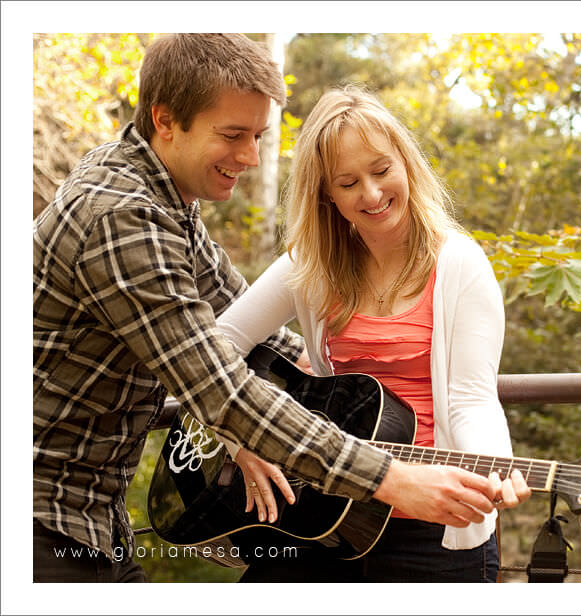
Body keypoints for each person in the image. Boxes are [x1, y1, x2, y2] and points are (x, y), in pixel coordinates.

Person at [32, 34, 520, 583]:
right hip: (42, 516)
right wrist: (387, 476)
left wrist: (302, 388)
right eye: (234, 135)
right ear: (166, 121)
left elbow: (241, 328)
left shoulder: (166, 201)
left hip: (93, 518)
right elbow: (220, 386)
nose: (250, 157)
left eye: (259, 136)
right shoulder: (122, 219)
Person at [215, 84, 531, 583]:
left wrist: (493, 470)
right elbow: (216, 346)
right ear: (326, 195)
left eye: (382, 170)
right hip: (326, 513)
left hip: (433, 521)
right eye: (348, 182)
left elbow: (471, 398)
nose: (372, 194)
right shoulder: (310, 265)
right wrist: (241, 437)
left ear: (406, 163)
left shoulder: (460, 263)